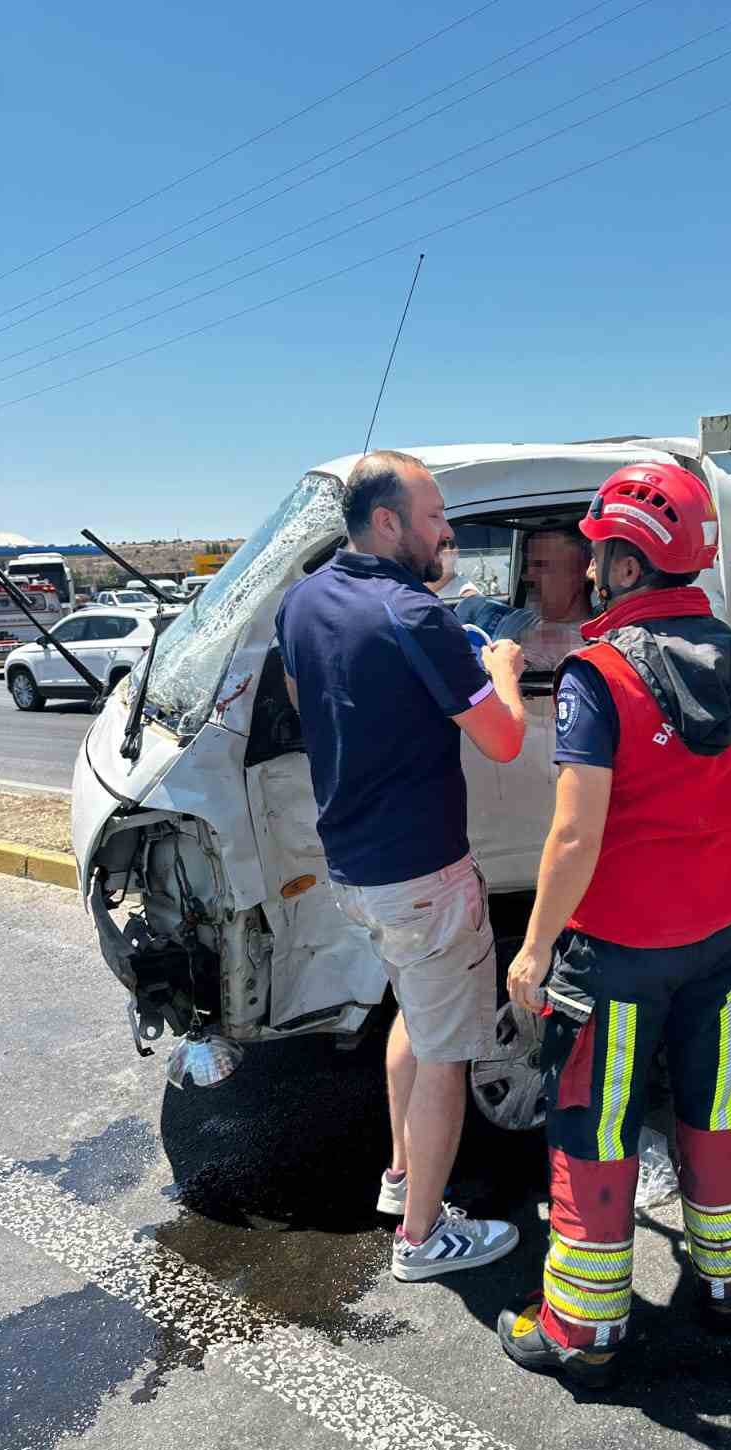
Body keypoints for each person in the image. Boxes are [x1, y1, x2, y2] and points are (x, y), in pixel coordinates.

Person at [495, 461, 731, 1387]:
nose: (586, 569)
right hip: (723, 933)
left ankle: (583, 1325)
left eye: (597, 554)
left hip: (617, 950)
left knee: (596, 1122)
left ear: (624, 564)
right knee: (718, 1105)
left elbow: (575, 832)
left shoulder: (597, 676)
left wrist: (535, 949)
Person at [276, 450, 527, 1281]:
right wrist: (501, 671)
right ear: (388, 524)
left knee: (414, 1019)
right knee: (448, 1051)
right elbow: (504, 737)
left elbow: (317, 692)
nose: (447, 532)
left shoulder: (303, 600)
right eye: (434, 518)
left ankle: (398, 1176)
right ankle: (421, 1239)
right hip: (424, 873)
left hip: (356, 865)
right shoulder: (417, 617)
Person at [456, 525, 593, 670]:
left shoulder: (568, 646)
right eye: (528, 565)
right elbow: (475, 603)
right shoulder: (526, 618)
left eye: (542, 565)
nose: (527, 576)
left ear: (580, 573)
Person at [425, 534, 480, 600]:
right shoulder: (414, 588)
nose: (430, 555)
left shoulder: (467, 595)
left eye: (437, 548)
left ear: (454, 552)